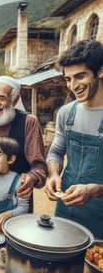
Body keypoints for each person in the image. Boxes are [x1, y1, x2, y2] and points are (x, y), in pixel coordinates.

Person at [44, 40, 103, 239]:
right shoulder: (65, 113)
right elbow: (56, 151)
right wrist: (53, 174)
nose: (73, 86)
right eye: (68, 79)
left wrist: (94, 191)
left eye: (80, 76)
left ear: (100, 71)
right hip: (65, 210)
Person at [0, 76, 47, 213]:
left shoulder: (29, 122)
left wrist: (31, 177)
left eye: (2, 98)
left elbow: (39, 166)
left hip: (19, 202)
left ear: (15, 100)